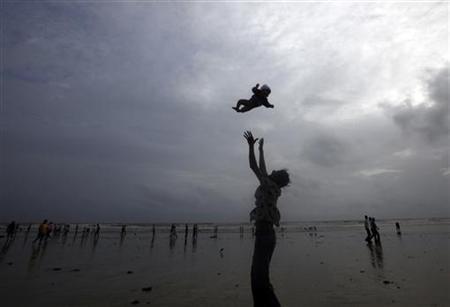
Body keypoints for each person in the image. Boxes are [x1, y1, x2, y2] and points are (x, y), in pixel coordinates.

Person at [244, 131, 290, 307]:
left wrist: (251, 147)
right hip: (265, 234)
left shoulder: (268, 185)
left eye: (273, 171)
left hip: (264, 235)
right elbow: (262, 169)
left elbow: (254, 167)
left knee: (259, 281)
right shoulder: (273, 187)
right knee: (259, 279)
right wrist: (261, 149)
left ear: (275, 178)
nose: (270, 171)